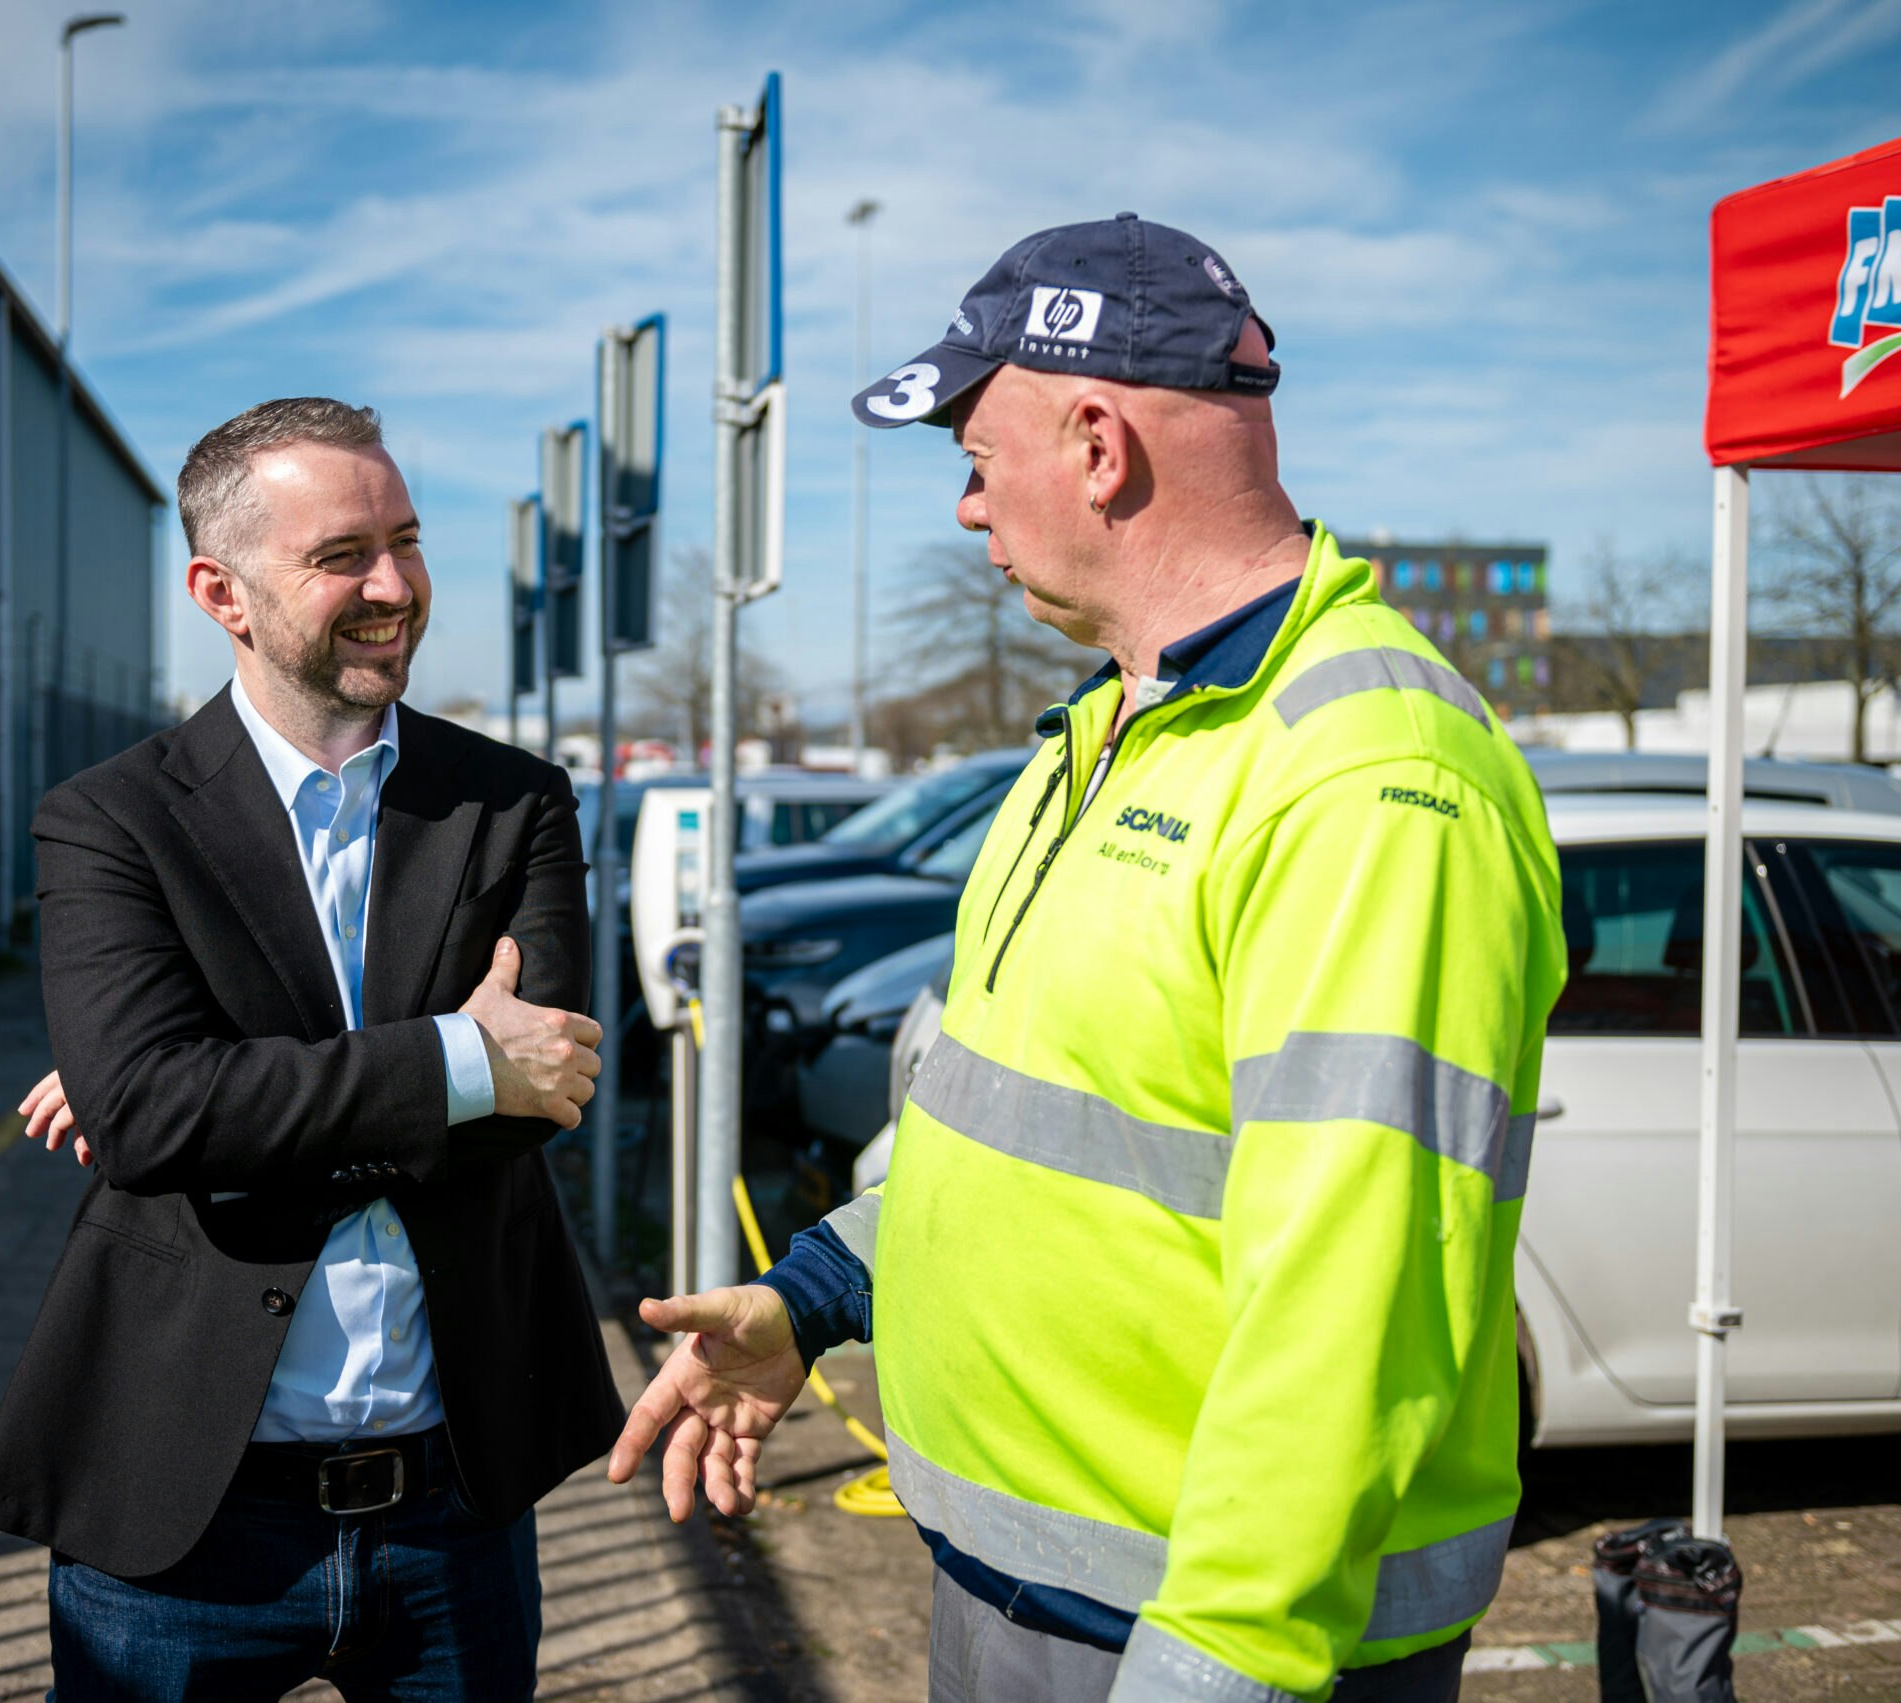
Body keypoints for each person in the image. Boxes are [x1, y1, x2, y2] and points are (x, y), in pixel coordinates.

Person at [607, 216, 1567, 1703]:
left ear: (1101, 446)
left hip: (1200, 1641)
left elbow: (1356, 1293)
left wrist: (1225, 1658)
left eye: (976, 459)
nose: (972, 512)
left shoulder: (1370, 776)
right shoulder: (1102, 735)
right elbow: (1018, 1132)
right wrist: (810, 1297)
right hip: (1028, 1591)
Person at [0, 397, 622, 1702]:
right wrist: (447, 1066)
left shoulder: (514, 800)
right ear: (223, 591)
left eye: (408, 540)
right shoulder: (110, 820)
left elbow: (547, 1082)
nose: (395, 586)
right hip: (184, 1512)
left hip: (457, 1502)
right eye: (341, 557)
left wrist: (215, 1096)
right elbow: (156, 1112)